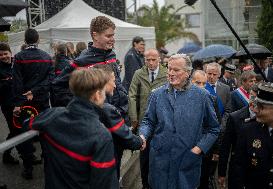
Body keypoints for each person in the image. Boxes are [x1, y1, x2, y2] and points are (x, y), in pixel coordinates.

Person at [22, 68, 119, 189]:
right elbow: (105, 182)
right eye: (103, 91)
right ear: (97, 95)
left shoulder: (51, 115)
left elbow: (27, 124)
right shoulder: (101, 135)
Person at [139, 54, 220, 189]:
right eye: (169, 69)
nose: (171, 73)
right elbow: (148, 121)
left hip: (187, 162)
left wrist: (198, 149)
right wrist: (143, 135)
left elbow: (213, 129)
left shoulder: (202, 96)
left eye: (176, 70)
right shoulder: (157, 94)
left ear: (188, 73)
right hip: (160, 162)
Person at [52, 16, 128, 118]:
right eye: (108, 36)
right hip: (99, 120)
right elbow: (57, 86)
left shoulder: (111, 55)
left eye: (113, 36)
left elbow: (116, 83)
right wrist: (82, 108)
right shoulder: (81, 61)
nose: (112, 40)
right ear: (95, 36)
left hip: (120, 114)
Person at [12, 28, 54, 179]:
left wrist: (18, 103)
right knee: (45, 133)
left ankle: (28, 168)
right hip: (42, 102)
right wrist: (36, 91)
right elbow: (50, 81)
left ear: (25, 40)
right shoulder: (47, 57)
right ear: (38, 40)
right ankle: (48, 164)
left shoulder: (18, 57)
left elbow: (16, 83)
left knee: (25, 135)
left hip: (25, 103)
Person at [128, 49, 168, 189]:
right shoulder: (139, 73)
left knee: (161, 153)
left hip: (162, 120)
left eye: (153, 60)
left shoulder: (166, 73)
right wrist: (134, 118)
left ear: (159, 59)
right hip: (144, 120)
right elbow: (132, 95)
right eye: (148, 60)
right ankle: (145, 184)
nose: (150, 63)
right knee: (144, 154)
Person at [234, 82, 273, 189]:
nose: (255, 110)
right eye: (256, 104)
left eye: (262, 107)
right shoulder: (247, 131)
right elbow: (239, 170)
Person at [218, 85, 258, 189]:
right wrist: (222, 173)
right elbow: (225, 147)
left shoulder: (267, 119)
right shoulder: (235, 117)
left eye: (258, 98)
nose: (254, 101)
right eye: (252, 97)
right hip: (238, 170)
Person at [0, 43, 20, 164]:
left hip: (20, 103)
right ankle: (7, 154)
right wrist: (7, 82)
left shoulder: (17, 63)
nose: (3, 56)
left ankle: (28, 155)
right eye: (0, 55)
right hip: (7, 105)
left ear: (10, 53)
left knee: (23, 128)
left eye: (5, 53)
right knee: (15, 131)